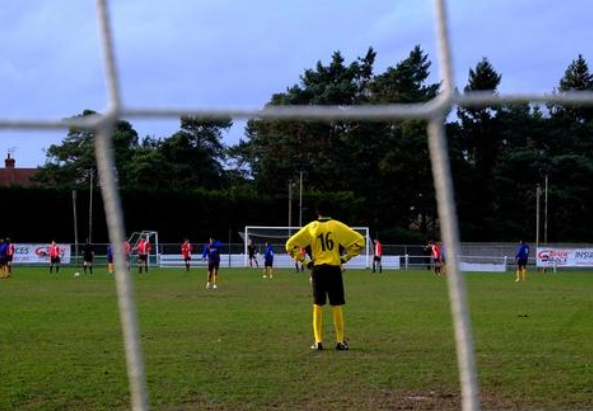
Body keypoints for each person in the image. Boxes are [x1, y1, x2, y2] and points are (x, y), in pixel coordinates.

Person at [286, 200, 365, 351]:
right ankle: (340, 341)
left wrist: (305, 262)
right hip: (334, 269)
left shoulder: (312, 227)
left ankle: (318, 341)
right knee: (336, 305)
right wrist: (345, 258)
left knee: (317, 305)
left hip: (318, 270)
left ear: (317, 212)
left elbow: (290, 244)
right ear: (331, 212)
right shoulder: (336, 226)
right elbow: (359, 241)